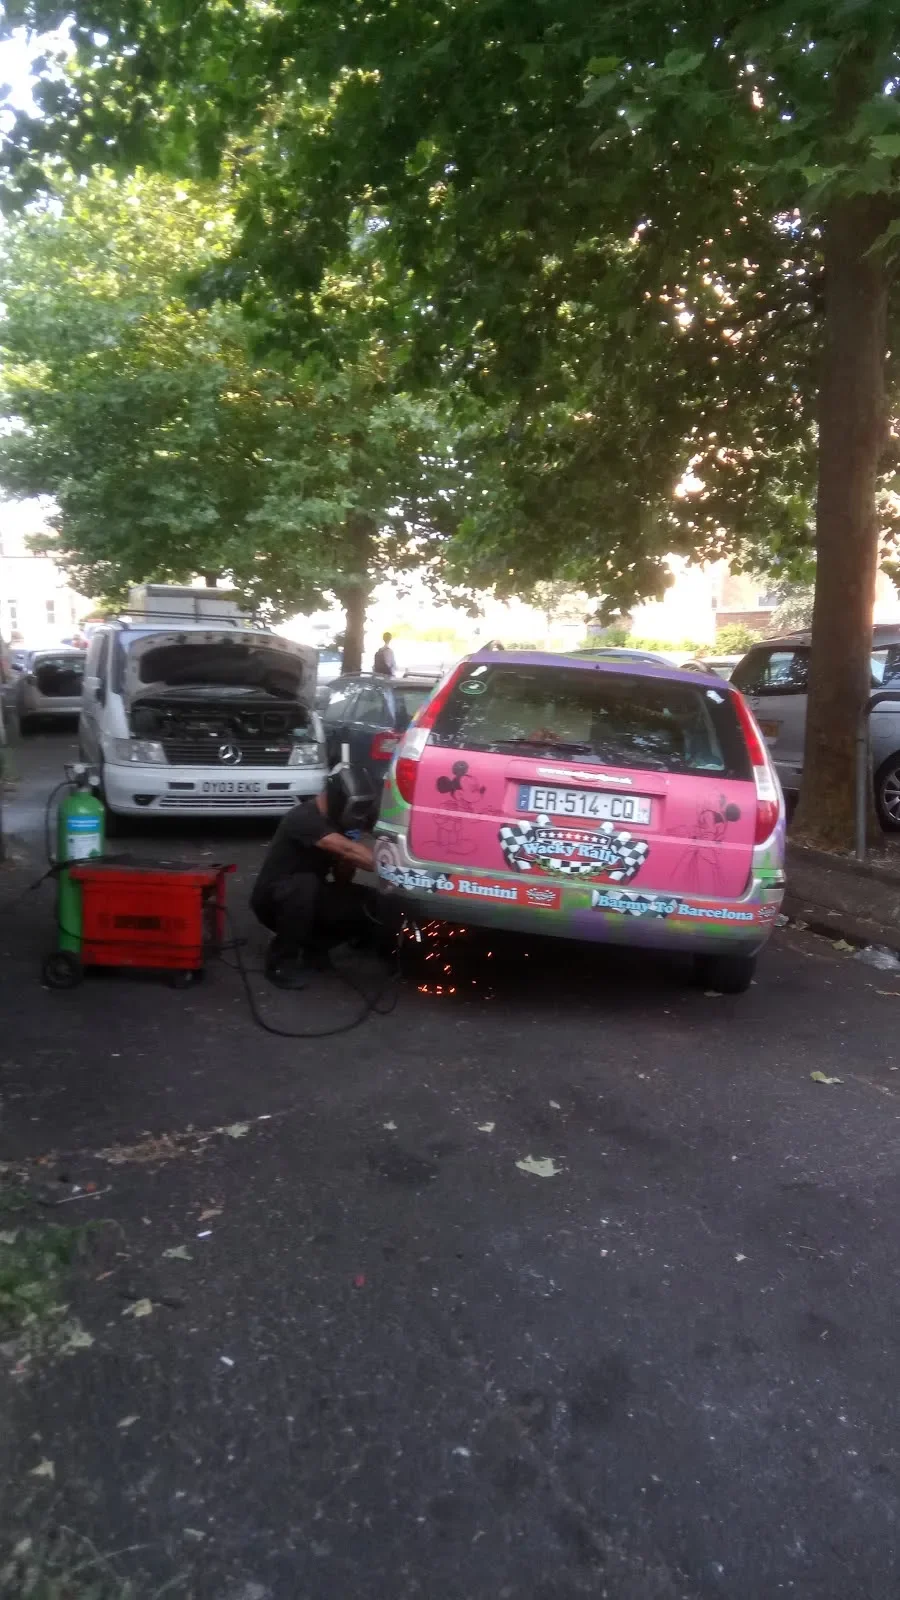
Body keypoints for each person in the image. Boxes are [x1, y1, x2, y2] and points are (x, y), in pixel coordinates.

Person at [250, 768, 378, 988]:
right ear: (341, 799)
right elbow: (347, 849)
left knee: (370, 902)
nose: (360, 815)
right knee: (304, 886)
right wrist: (395, 868)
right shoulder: (303, 817)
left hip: (307, 896)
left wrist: (345, 862)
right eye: (357, 807)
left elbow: (342, 879)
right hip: (273, 899)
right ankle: (280, 963)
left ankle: (316, 947)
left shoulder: (339, 824)